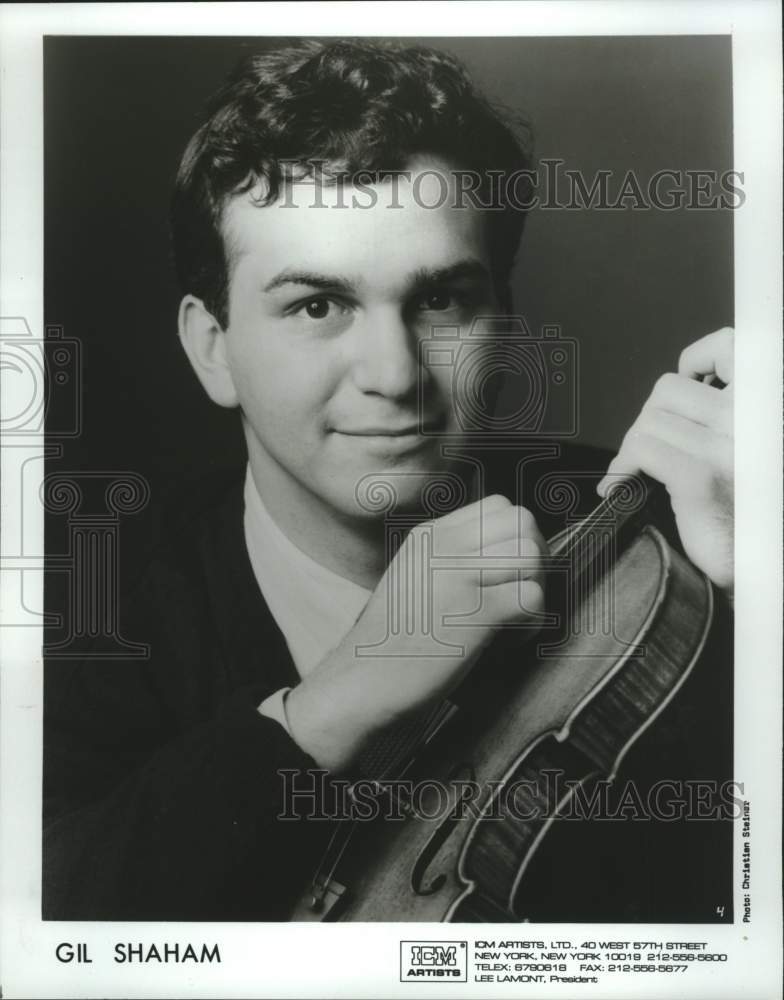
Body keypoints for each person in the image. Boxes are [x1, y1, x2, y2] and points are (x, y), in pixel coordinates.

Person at [43, 39, 734, 921]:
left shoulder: (669, 534)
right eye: (317, 306)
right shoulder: (86, 617)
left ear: (505, 317)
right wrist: (328, 709)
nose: (395, 374)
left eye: (441, 300)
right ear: (211, 347)